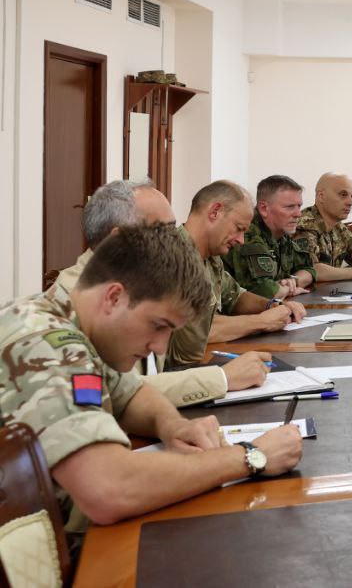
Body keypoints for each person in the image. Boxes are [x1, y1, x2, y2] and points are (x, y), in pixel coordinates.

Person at [0, 223, 303, 535]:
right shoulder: (46, 344)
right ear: (114, 297)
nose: (160, 347)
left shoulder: (76, 324)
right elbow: (107, 488)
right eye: (158, 325)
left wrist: (173, 425)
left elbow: (130, 394)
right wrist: (249, 456)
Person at [53, 180, 272, 405]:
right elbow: (112, 392)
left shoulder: (142, 282)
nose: (176, 239)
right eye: (163, 232)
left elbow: (173, 362)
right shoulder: (76, 299)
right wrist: (223, 378)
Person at [168, 180, 307, 367]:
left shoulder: (210, 256)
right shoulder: (174, 258)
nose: (241, 240)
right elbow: (195, 335)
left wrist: (272, 306)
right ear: (215, 212)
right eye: (238, 228)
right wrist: (261, 322)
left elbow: (235, 296)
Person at [227, 175, 317, 300]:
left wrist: (293, 281)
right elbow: (265, 291)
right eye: (290, 207)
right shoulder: (248, 235)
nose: (298, 214)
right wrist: (288, 289)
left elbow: (309, 270)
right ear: (264, 209)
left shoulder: (282, 234)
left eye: (299, 206)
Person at [293, 173, 352, 281]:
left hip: (330, 289)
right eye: (343, 195)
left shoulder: (338, 226)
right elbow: (311, 270)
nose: (350, 202)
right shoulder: (305, 225)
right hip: (306, 291)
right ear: (321, 196)